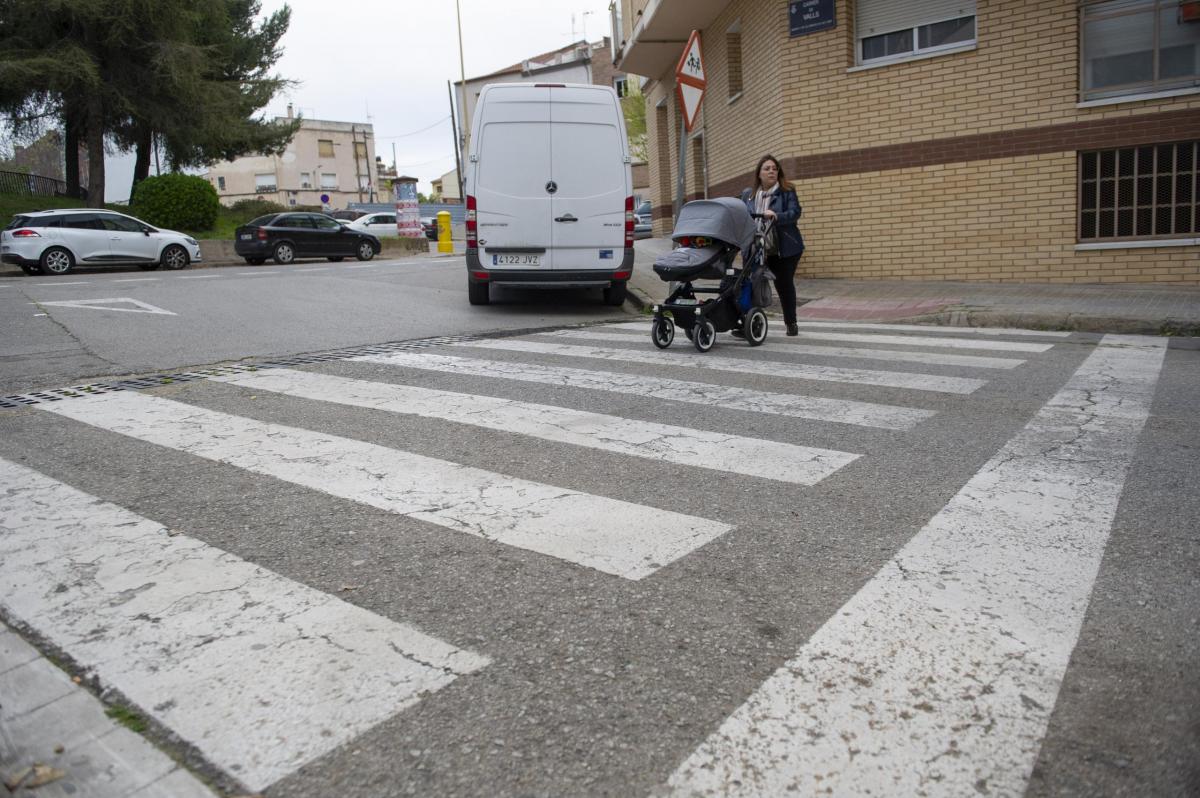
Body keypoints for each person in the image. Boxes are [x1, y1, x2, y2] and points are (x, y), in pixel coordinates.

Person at [741, 154, 804, 336]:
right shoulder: (749, 195)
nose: (771, 171)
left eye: (774, 169)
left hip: (784, 249)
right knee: (750, 283)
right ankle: (749, 323)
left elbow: (794, 213)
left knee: (783, 285)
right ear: (759, 174)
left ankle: (791, 323)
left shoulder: (787, 191)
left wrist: (777, 216)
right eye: (767, 168)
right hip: (756, 248)